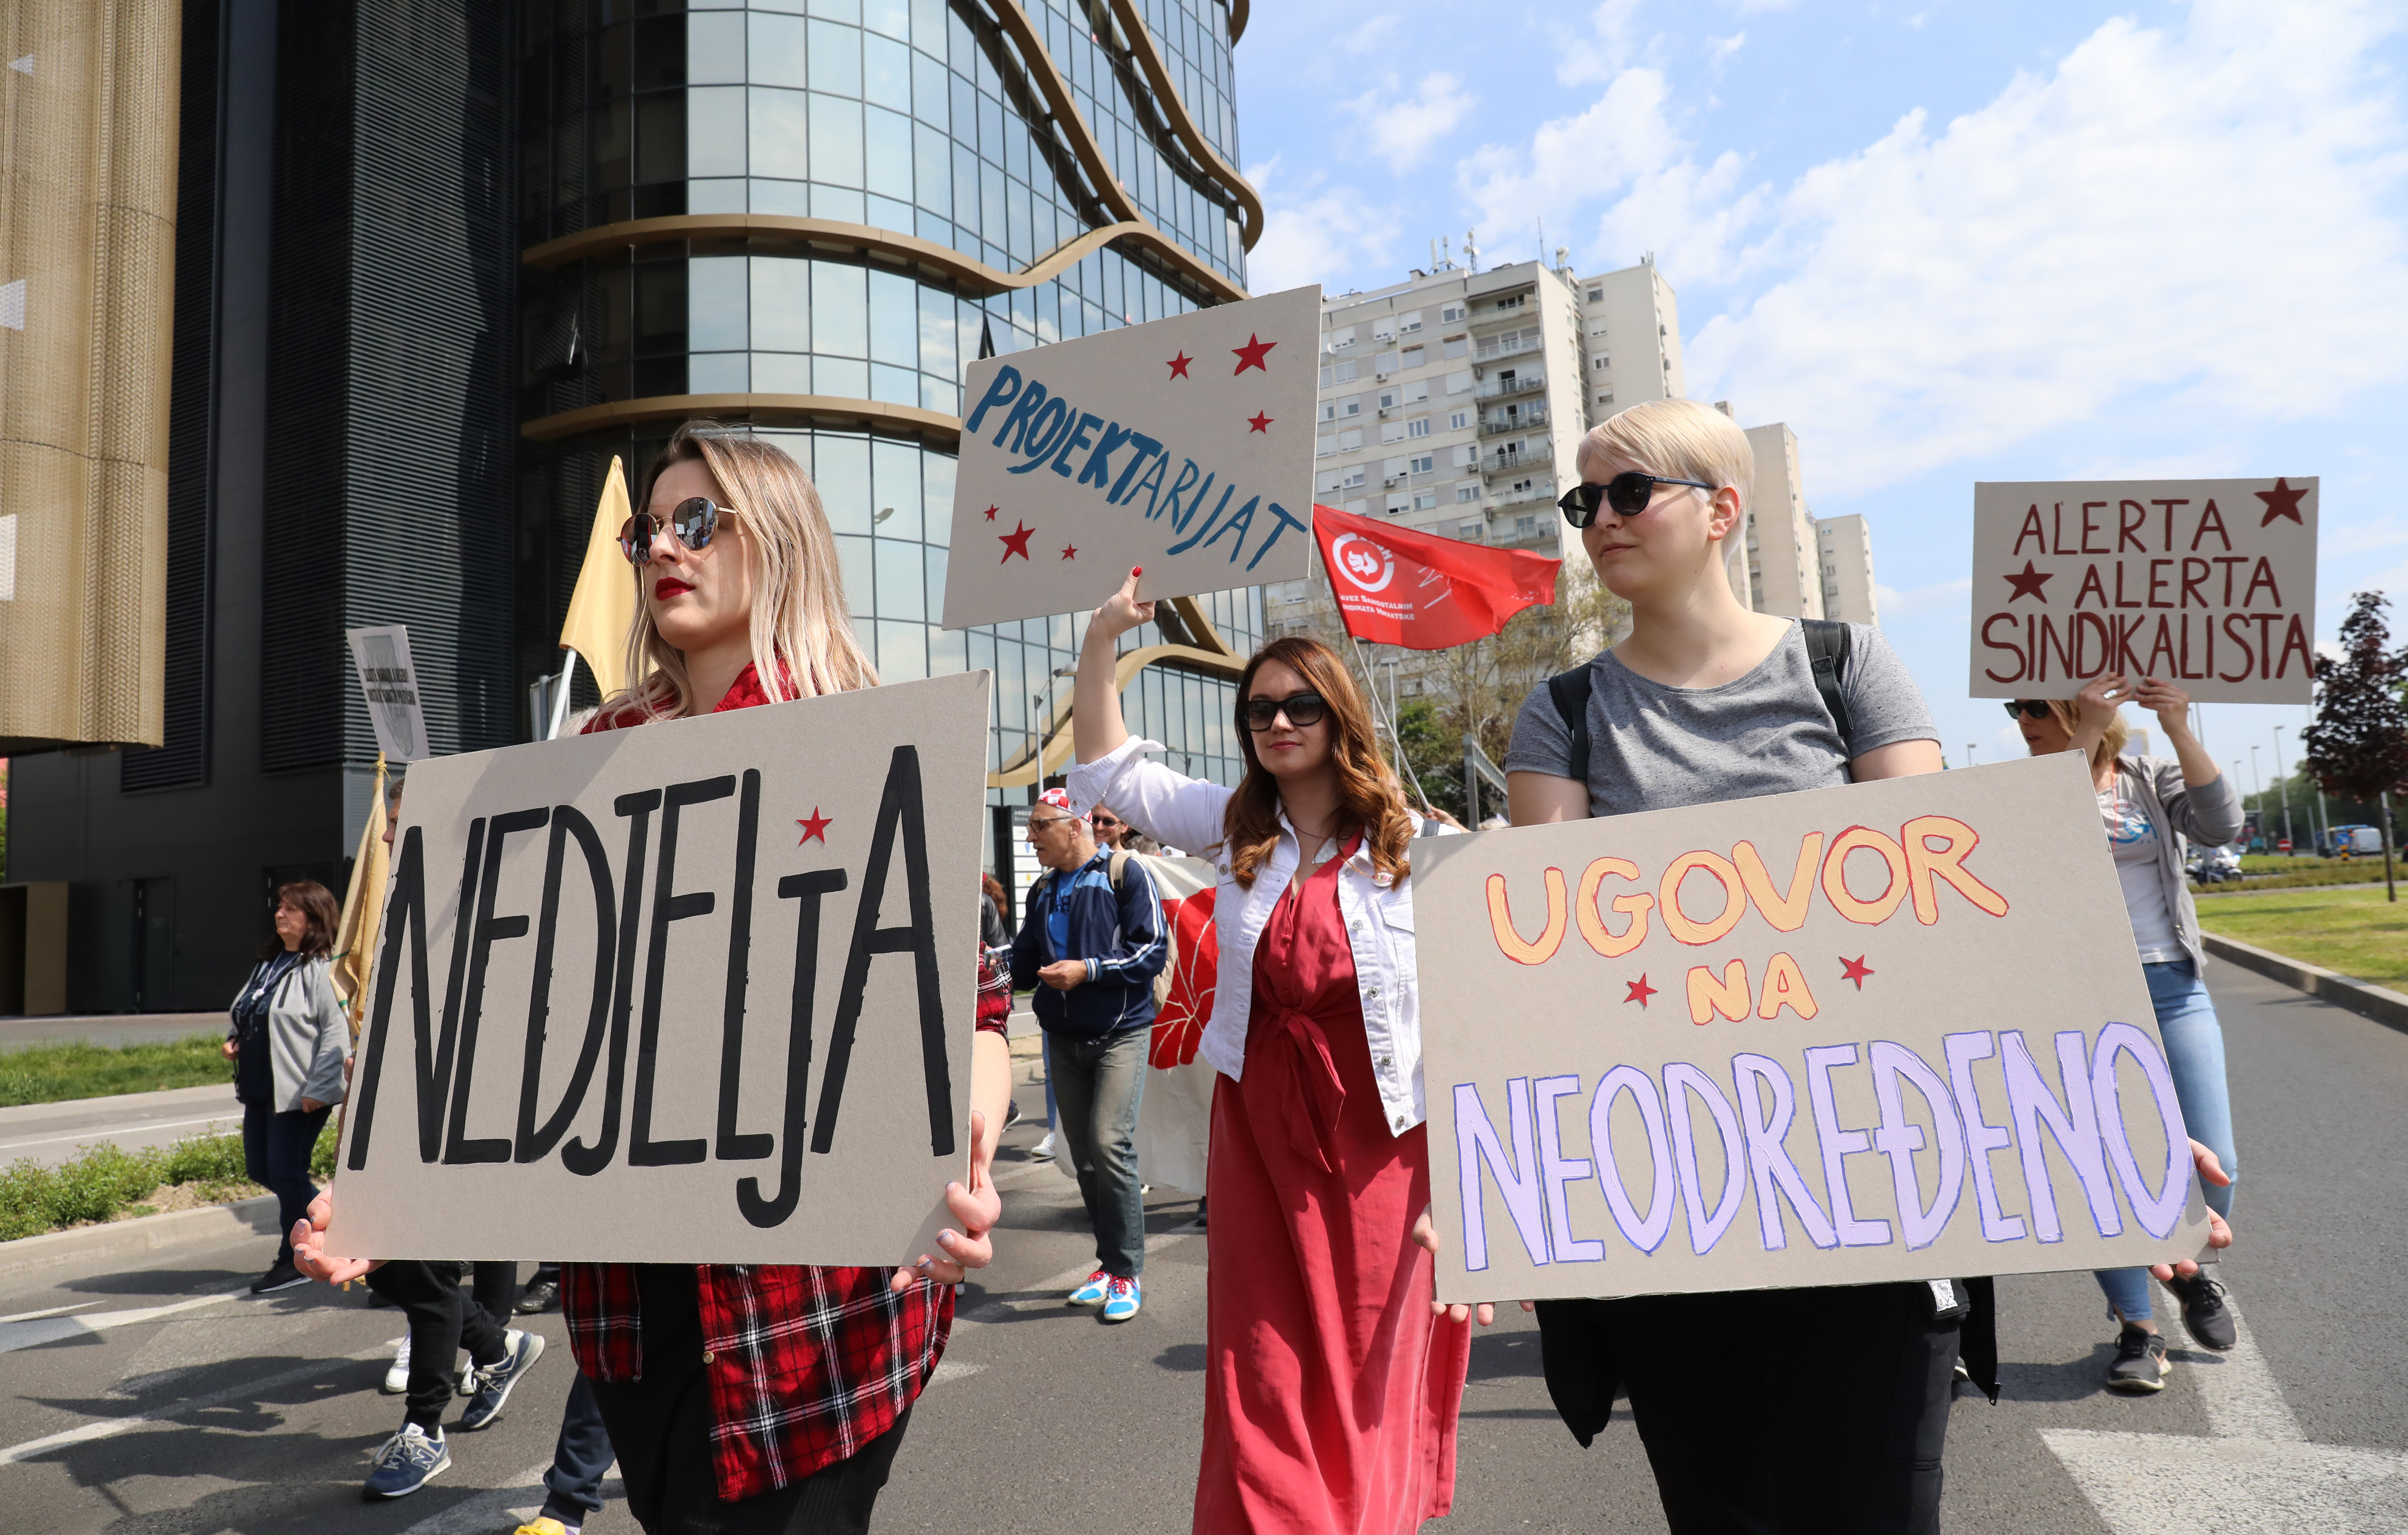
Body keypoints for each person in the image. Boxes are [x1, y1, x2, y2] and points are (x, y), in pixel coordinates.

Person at [1502, 397, 2233, 1534]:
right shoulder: (1560, 715)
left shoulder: (1851, 671)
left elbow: (1951, 933)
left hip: (1867, 1191)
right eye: (1582, 500)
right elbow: (1551, 973)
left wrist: (2100, 1134)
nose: (1598, 518)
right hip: (1677, 1199)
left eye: (1629, 491)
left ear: (1722, 510)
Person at [296, 421, 1008, 1534]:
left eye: (697, 521)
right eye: (646, 530)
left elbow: (974, 1011)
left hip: (814, 1315)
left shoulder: (865, 740)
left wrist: (966, 1138)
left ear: (775, 540)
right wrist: (387, 1184)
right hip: (635, 1308)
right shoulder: (594, 745)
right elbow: (504, 1016)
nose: (664, 548)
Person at [1068, 573, 1477, 1533]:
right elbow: (1114, 772)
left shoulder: (1419, 846)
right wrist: (1100, 641)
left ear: (1337, 714)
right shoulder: (1233, 828)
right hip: (1259, 1143)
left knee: (1367, 1369)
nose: (1278, 721)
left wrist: (1482, 1201)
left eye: (1299, 703)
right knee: (1264, 1371)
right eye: (1259, 707)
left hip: (1386, 1152)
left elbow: (1480, 1021)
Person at [2011, 677, 2243, 1388]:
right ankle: (2137, 1329)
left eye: (2032, 707)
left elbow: (2220, 826)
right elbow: (2036, 841)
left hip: (2170, 983)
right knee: (2107, 1166)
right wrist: (2083, 737)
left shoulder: (2148, 777)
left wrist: (2176, 725)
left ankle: (2187, 1269)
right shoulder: (2026, 786)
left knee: (2215, 1156)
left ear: (2077, 706)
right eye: (2014, 708)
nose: (2020, 720)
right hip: (2081, 997)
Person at [1010, 786, 1168, 1322]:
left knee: (1108, 1144)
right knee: (1085, 1159)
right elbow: (1025, 961)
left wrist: (1089, 970)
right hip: (1064, 1037)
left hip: (1121, 1031)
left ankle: (1126, 1271)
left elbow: (1152, 950)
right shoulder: (1043, 889)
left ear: (1073, 827)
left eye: (1039, 826)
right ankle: (1109, 1262)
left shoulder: (1126, 873)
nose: (1031, 838)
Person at [223, 880, 348, 1295]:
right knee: (262, 1169)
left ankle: (292, 1258)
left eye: (292, 909)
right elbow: (253, 1010)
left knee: (286, 1171)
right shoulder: (271, 963)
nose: (281, 914)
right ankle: (336, 1226)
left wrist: (321, 1086)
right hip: (263, 1089)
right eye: (280, 907)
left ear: (314, 918)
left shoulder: (321, 968)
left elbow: (335, 1033)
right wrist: (236, 1039)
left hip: (300, 1095)